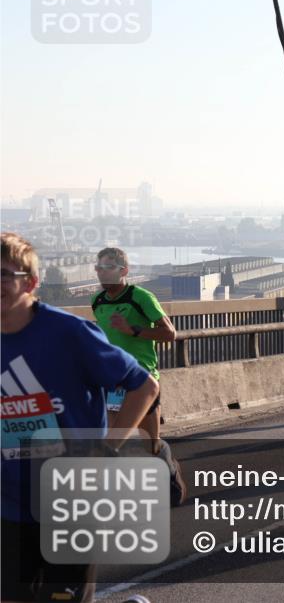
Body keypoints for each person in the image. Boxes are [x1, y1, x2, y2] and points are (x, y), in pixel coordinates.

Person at [2, 232, 160, 603]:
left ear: (32, 282)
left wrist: (104, 448)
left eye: (4, 275)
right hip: (8, 502)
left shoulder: (68, 332)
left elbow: (144, 387)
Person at [90, 247, 186, 506]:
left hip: (143, 380)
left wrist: (133, 330)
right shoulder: (97, 302)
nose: (101, 272)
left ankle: (169, 472)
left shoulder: (140, 297)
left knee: (149, 443)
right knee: (113, 440)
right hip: (113, 381)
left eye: (108, 267)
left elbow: (170, 334)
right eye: (98, 267)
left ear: (123, 271)